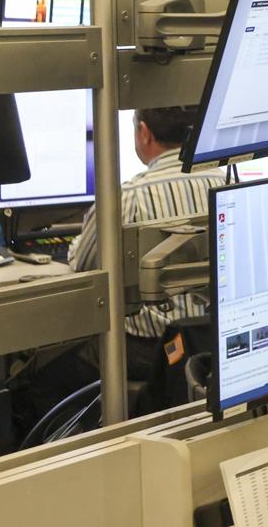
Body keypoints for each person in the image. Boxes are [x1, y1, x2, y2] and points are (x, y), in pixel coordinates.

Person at [65, 106, 224, 377]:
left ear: (144, 133)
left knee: (43, 375)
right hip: (212, 340)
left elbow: (84, 264)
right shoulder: (225, 181)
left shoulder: (129, 195)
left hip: (148, 350)